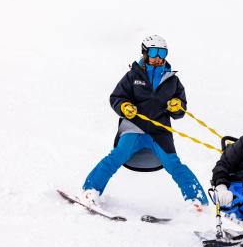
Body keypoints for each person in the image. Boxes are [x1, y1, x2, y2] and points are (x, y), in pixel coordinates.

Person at [81, 35, 208, 209]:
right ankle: (90, 191)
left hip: (159, 130)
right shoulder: (133, 75)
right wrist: (124, 106)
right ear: (145, 52)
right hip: (134, 126)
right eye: (154, 52)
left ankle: (197, 201)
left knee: (173, 163)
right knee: (118, 155)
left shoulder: (172, 80)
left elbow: (180, 110)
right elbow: (117, 97)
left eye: (162, 53)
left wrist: (177, 106)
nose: (158, 57)